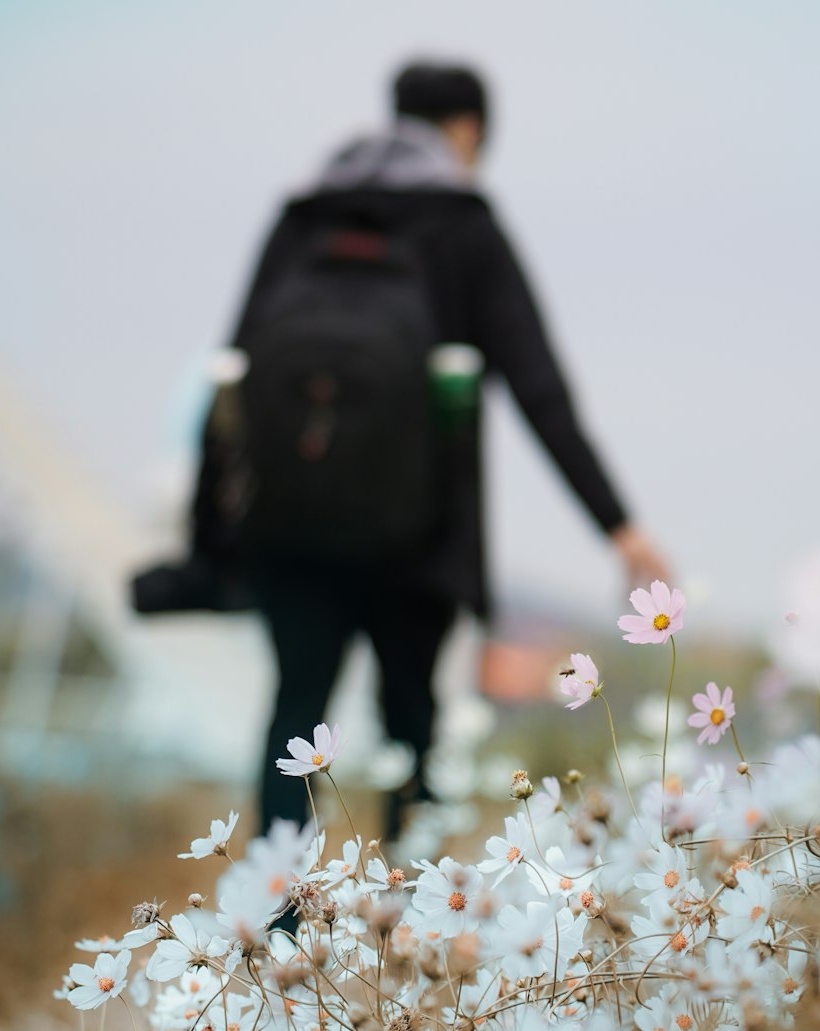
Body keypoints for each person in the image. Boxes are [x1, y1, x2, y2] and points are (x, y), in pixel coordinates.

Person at [188, 60, 670, 839]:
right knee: (411, 720)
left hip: (290, 524)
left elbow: (234, 371)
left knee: (295, 714)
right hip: (421, 531)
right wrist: (619, 525)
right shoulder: (464, 223)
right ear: (470, 131)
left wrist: (209, 529)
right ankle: (407, 935)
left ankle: (273, 933)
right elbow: (539, 387)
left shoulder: (303, 214)